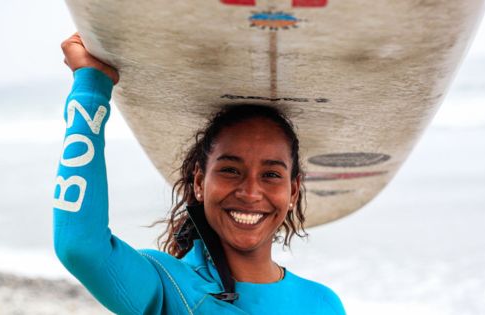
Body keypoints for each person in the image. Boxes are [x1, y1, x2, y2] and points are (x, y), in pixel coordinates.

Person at [54, 32, 346, 315]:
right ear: (199, 183)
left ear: (293, 191)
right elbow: (80, 246)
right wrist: (91, 85)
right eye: (230, 170)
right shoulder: (172, 288)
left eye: (271, 174)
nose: (250, 192)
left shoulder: (323, 304)